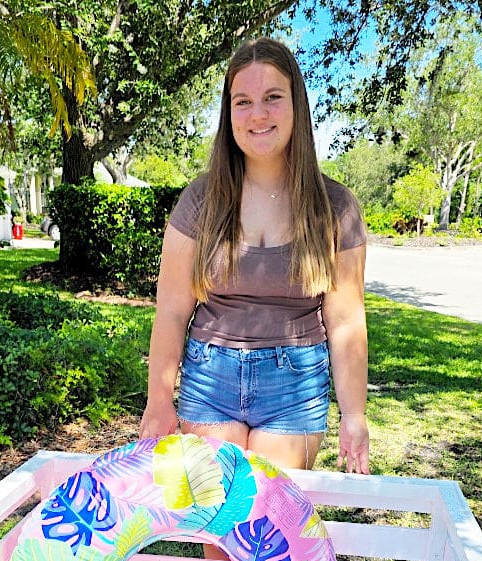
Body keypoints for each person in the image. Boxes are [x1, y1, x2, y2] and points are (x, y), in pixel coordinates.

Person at [140, 35, 369, 480]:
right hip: (210, 379)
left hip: (295, 383)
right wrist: (159, 399)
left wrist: (354, 413)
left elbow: (345, 322)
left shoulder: (336, 207)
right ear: (228, 114)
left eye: (272, 98)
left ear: (296, 106)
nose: (258, 114)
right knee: (218, 524)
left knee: (264, 527)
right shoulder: (200, 200)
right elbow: (170, 310)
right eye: (242, 101)